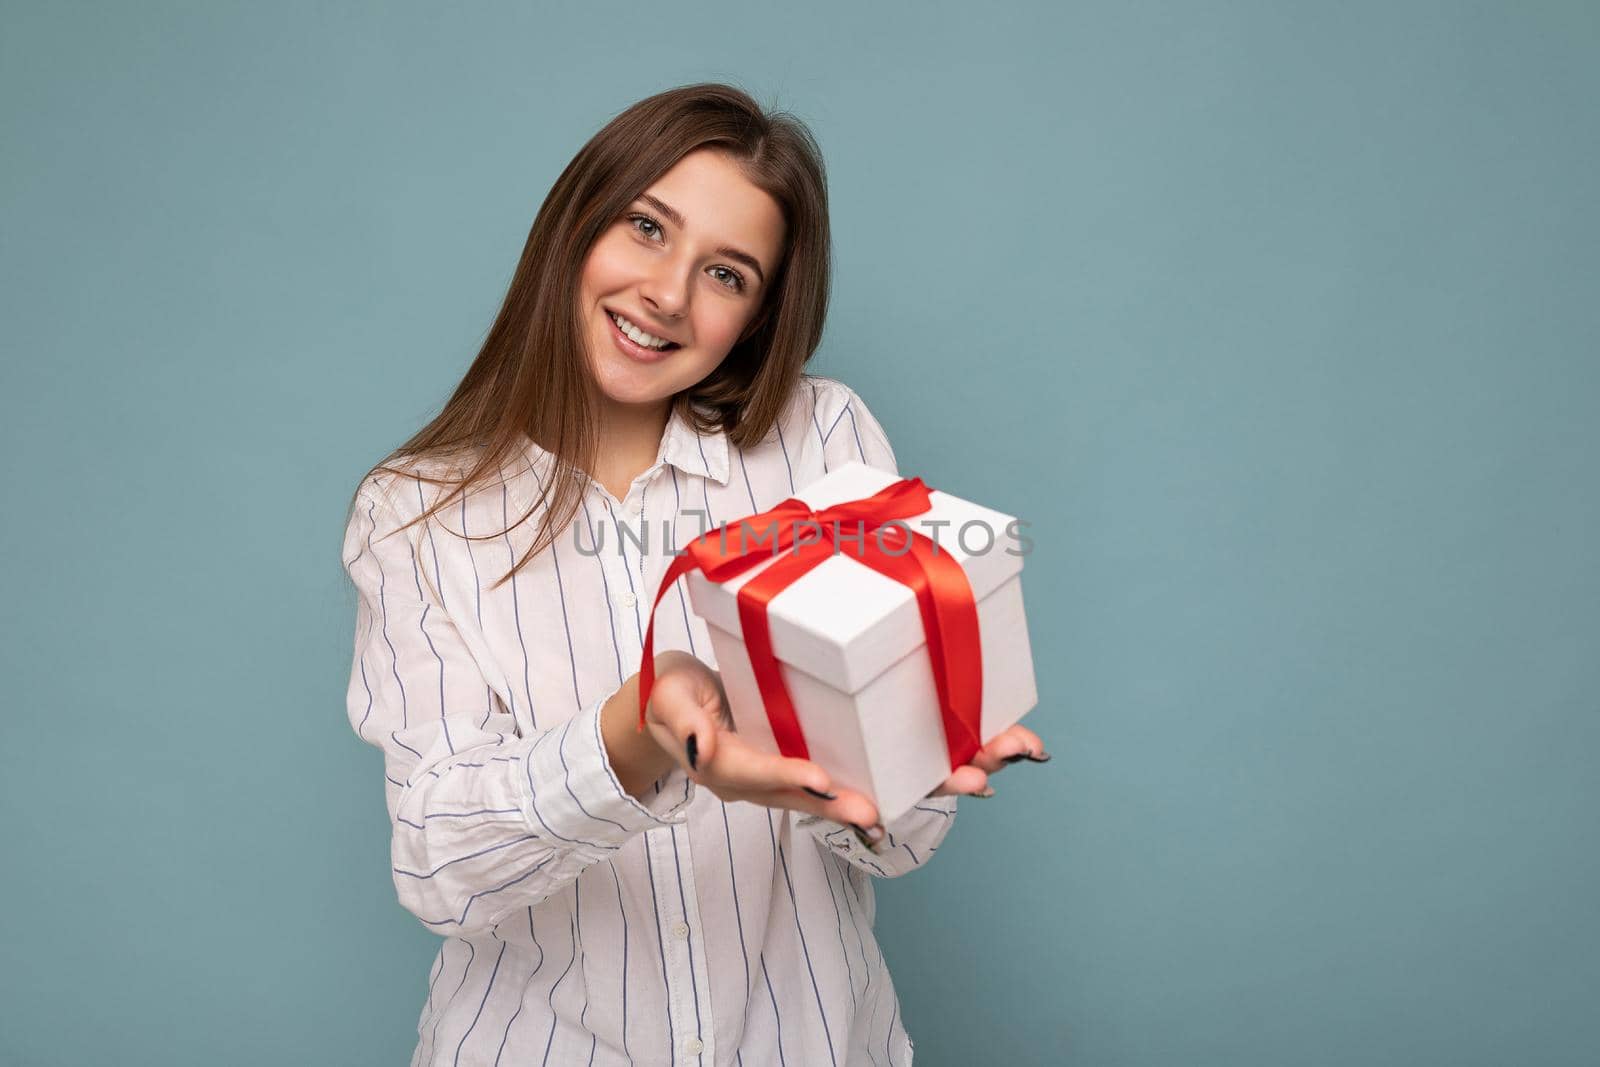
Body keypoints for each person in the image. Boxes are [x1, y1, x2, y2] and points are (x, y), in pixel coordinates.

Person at [339, 82, 1050, 1067]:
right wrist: (633, 734)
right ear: (575, 225)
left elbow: (908, 831)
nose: (668, 294)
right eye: (645, 227)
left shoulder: (821, 441)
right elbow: (439, 863)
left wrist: (878, 757)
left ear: (756, 316)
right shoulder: (417, 511)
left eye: (725, 273)